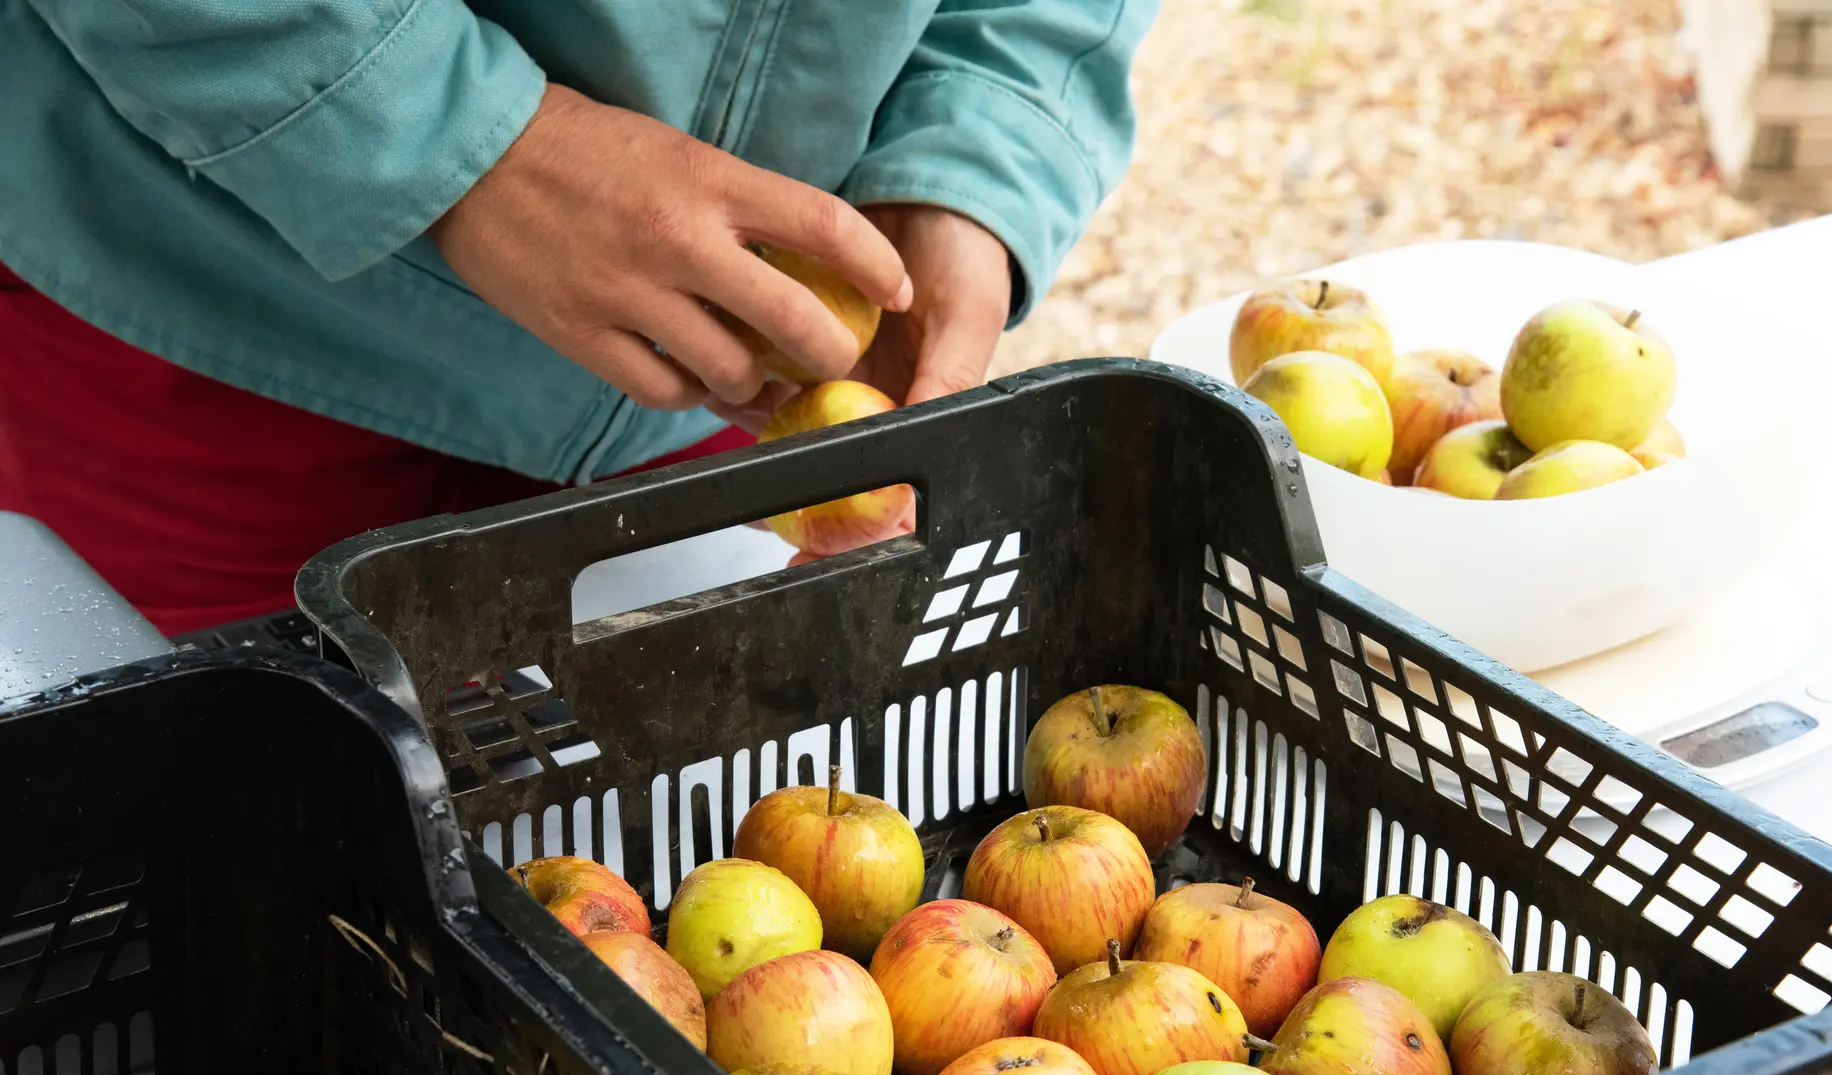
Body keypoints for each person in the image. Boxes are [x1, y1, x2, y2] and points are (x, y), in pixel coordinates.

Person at [0, 0, 1157, 635]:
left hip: (729, 357)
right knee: (228, 876)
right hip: (219, 280)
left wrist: (975, 138)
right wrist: (460, 139)